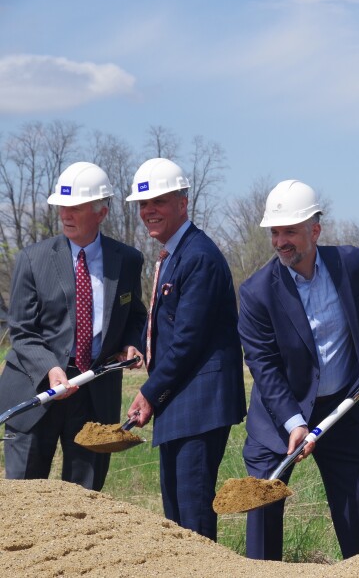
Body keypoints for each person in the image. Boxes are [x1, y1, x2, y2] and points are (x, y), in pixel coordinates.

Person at [238, 179, 359, 560]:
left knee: (355, 506)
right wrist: (295, 423)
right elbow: (264, 366)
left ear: (315, 230)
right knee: (263, 508)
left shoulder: (350, 263)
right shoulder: (257, 292)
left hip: (342, 408)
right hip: (280, 417)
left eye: (290, 231)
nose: (280, 241)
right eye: (275, 232)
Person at [1, 161, 146, 491]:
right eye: (61, 207)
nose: (65, 214)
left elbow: (136, 314)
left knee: (84, 498)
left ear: (101, 212)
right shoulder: (33, 259)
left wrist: (131, 342)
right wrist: (51, 369)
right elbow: (22, 329)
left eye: (75, 207)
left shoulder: (127, 260)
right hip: (37, 389)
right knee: (24, 497)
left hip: (94, 393)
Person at [124, 158, 246, 541]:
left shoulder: (199, 257)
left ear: (183, 202)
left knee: (191, 514)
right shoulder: (176, 255)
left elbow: (188, 340)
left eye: (158, 201)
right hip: (180, 399)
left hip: (200, 402)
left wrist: (148, 392)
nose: (148, 212)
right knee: (175, 513)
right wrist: (142, 346)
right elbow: (172, 324)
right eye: (143, 205)